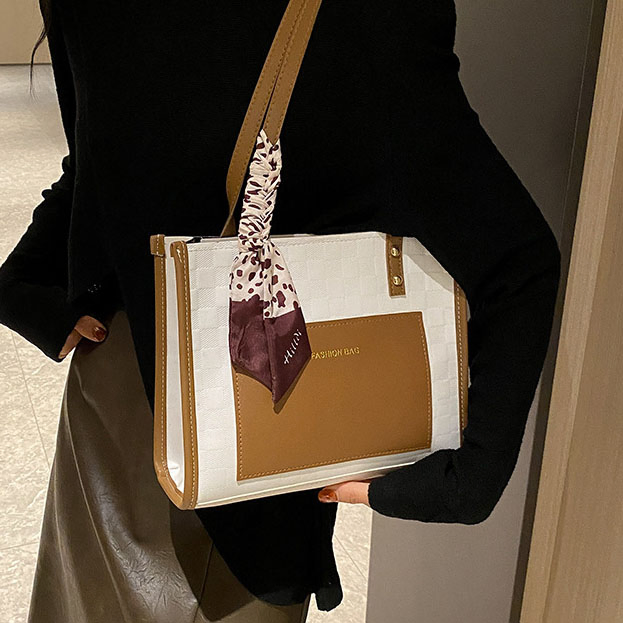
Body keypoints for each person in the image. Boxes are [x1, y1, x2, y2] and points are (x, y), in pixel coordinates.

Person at [0, 0, 561, 621]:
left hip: (215, 419)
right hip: (182, 406)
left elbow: (107, 150)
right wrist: (18, 285)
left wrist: (19, 284)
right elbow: (516, 259)